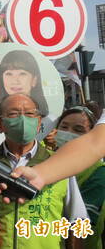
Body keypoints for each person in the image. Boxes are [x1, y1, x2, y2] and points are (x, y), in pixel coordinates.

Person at [0, 93, 87, 248]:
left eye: (30, 114)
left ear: (38, 123)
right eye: (14, 114)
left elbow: (78, 220)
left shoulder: (59, 163)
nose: (23, 120)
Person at [44, 104, 104, 249]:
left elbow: (80, 224)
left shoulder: (99, 173)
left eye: (78, 130)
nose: (68, 133)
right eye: (64, 127)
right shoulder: (44, 161)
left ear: (91, 136)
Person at [0, 50, 50, 146]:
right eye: (9, 74)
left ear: (34, 80)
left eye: (22, 74)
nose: (15, 80)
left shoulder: (51, 120)